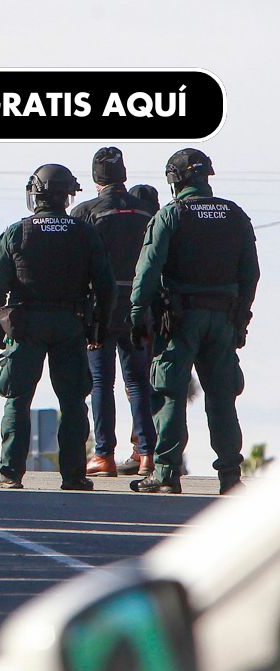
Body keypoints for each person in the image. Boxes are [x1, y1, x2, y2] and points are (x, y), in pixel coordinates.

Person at [129, 149, 259, 495]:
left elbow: (148, 270)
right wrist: (240, 316)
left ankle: (166, 473)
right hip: (224, 318)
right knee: (222, 398)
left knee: (170, 391)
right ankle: (231, 476)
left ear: (174, 180)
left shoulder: (171, 216)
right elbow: (251, 274)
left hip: (180, 319)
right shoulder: (235, 215)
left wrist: (137, 313)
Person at [0, 163, 116, 490]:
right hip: (71, 324)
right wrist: (100, 325)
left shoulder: (17, 232)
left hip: (26, 325)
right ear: (67, 196)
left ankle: (10, 473)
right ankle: (74, 476)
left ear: (37, 193)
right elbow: (106, 286)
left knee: (17, 398)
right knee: (73, 401)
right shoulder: (84, 232)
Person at [70, 148, 158, 479]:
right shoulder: (147, 212)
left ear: (96, 179)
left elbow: (75, 264)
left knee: (100, 382)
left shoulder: (86, 212)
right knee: (138, 382)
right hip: (139, 306)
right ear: (123, 175)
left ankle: (104, 455)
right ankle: (147, 454)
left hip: (99, 308)